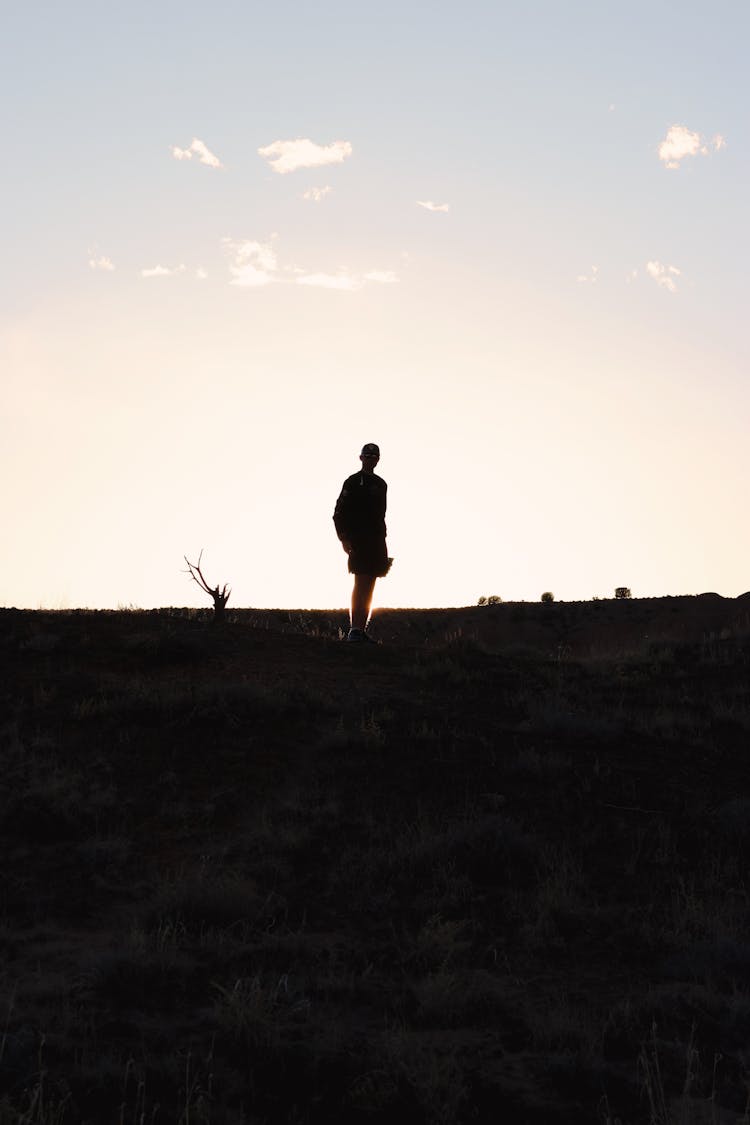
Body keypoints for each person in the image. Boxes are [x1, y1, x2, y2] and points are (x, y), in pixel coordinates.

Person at [333, 443, 391, 643]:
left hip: (377, 539)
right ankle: (354, 630)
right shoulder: (352, 482)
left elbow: (381, 515)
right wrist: (344, 538)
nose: (371, 459)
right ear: (361, 458)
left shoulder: (381, 484)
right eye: (368, 455)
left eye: (374, 456)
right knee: (361, 582)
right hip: (358, 539)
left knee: (370, 584)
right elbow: (338, 513)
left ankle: (361, 629)